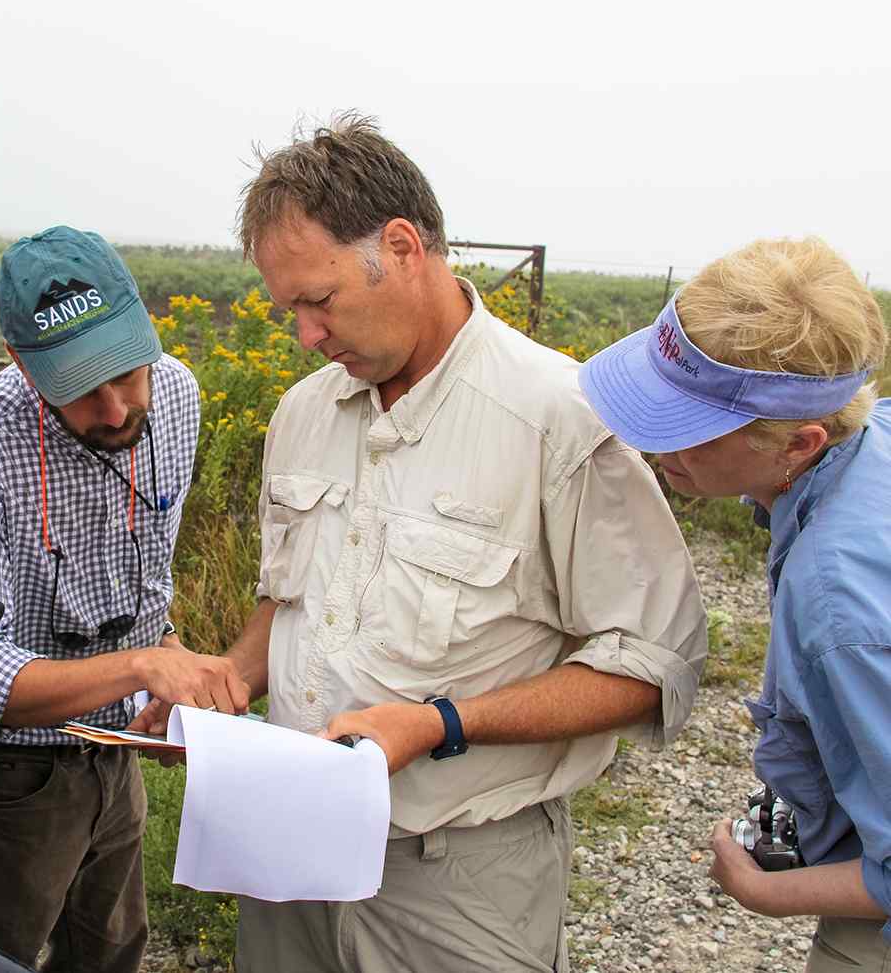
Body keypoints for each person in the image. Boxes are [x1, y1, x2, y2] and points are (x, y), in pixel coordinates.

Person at [216, 115, 708, 973]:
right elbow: (291, 596)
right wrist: (232, 672)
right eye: (287, 309)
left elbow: (652, 662)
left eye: (319, 301)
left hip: (457, 878)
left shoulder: (560, 418)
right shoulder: (302, 414)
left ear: (402, 247)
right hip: (287, 852)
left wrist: (441, 723)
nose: (305, 336)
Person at [0, 225, 248, 973]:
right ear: (23, 366)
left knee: (110, 954)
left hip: (112, 756)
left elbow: (147, 571)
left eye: (128, 369)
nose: (119, 407)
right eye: (83, 387)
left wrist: (167, 666)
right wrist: (140, 668)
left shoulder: (178, 400)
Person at [578, 237, 890, 970]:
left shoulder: (836, 601)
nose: (651, 445)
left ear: (797, 443)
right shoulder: (869, 434)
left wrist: (767, 893)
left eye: (686, 431)